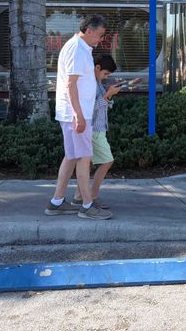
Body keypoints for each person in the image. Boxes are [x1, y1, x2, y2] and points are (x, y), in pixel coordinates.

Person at [45, 14, 112, 220]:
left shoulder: (78, 47)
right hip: (77, 114)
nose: (100, 40)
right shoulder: (77, 49)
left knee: (72, 157)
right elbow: (71, 84)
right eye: (99, 35)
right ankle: (86, 205)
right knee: (84, 159)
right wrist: (78, 115)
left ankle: (56, 202)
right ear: (89, 30)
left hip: (74, 113)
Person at [70, 54, 122, 209]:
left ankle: (79, 197)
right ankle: (91, 196)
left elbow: (102, 104)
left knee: (86, 165)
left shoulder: (97, 82)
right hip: (94, 130)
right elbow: (90, 109)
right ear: (97, 67)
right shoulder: (90, 84)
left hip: (97, 129)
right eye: (105, 73)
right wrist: (107, 94)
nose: (106, 77)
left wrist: (108, 96)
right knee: (107, 161)